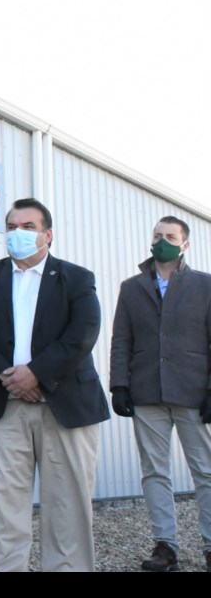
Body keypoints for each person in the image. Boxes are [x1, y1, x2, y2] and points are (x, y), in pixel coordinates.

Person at [0, 197, 109, 571]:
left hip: (65, 407)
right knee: (4, 504)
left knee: (68, 507)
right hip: (4, 404)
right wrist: (9, 376)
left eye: (28, 227)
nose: (17, 234)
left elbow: (83, 333)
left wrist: (37, 373)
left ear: (48, 235)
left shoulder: (77, 278)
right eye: (11, 227)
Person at [109, 215, 211, 572]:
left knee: (205, 471)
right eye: (157, 235)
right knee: (155, 471)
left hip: (193, 392)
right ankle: (165, 546)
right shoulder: (132, 287)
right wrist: (119, 384)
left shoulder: (205, 285)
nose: (162, 240)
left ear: (184, 244)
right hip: (147, 392)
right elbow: (121, 338)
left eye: (170, 236)